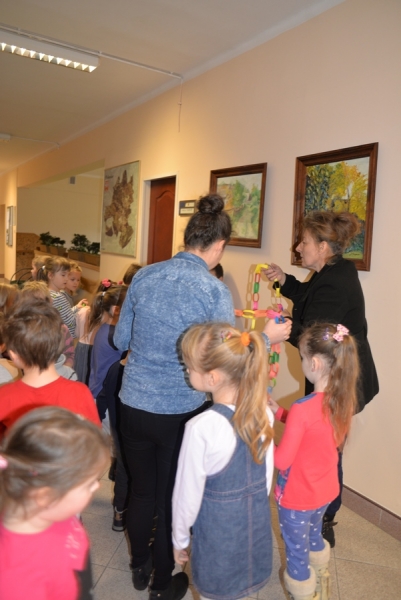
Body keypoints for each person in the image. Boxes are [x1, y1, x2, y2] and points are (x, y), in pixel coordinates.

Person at [114, 194, 291, 600]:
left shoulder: (144, 276)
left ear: (188, 237)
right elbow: (227, 359)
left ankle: (139, 564)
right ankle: (162, 583)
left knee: (141, 490)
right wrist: (266, 338)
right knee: (167, 496)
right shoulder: (213, 290)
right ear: (219, 246)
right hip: (178, 411)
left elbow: (121, 339)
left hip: (133, 402)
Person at [265, 210, 378, 546]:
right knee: (324, 444)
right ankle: (319, 505)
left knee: (329, 450)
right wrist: (284, 280)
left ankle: (325, 515)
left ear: (324, 247)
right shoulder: (333, 270)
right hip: (331, 374)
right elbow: (309, 299)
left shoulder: (335, 281)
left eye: (305, 242)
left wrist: (279, 329)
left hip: (340, 380)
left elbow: (311, 335)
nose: (299, 247)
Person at [172, 322, 275, 600]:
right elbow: (264, 481)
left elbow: (186, 496)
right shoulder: (264, 414)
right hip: (254, 532)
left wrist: (179, 539)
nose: (187, 371)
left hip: (218, 541)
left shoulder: (201, 427)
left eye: (189, 367)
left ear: (212, 378)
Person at [270, 322, 359, 600]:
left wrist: (261, 439)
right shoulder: (343, 400)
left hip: (297, 497)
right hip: (324, 492)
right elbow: (315, 430)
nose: (302, 363)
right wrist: (279, 412)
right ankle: (322, 582)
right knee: (313, 538)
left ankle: (305, 594)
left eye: (302, 358)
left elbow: (282, 460)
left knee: (296, 554)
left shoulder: (303, 407)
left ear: (315, 363)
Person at [0, 406, 110, 600]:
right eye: (89, 483)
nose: (97, 487)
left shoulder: (55, 511)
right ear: (45, 496)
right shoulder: (18, 577)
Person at [0, 300, 100, 438]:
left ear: (13, 354)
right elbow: (94, 444)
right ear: (59, 346)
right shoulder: (80, 393)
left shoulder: (4, 396)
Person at [20, 281, 75, 369]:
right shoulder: (21, 329)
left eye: (41, 302)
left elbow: (69, 354)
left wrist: (64, 370)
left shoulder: (61, 329)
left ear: (50, 301)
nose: (38, 307)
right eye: (33, 303)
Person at [37, 256, 88, 338]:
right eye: (63, 275)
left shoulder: (47, 292)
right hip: (62, 340)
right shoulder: (58, 297)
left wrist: (77, 307)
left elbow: (64, 315)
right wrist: (84, 312)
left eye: (68, 275)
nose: (66, 278)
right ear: (51, 275)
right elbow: (72, 324)